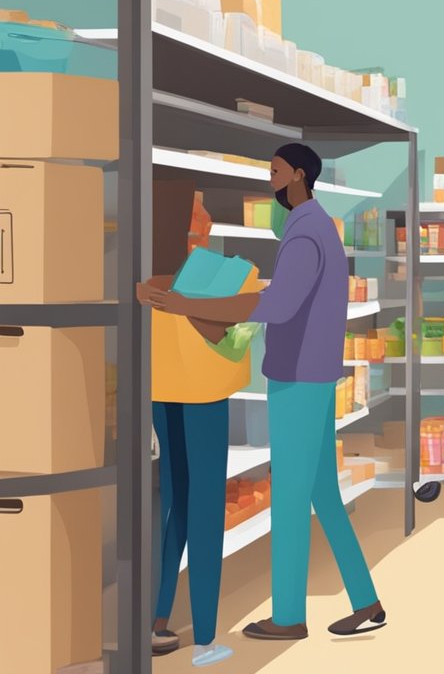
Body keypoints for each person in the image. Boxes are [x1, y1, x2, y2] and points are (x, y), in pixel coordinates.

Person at [144, 143, 386, 641]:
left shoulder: (303, 231)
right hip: (316, 371)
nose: (270, 178)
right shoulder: (316, 225)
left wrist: (188, 303)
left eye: (275, 171)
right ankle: (366, 601)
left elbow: (278, 305)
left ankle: (289, 616)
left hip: (297, 375)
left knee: (291, 498)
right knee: (322, 491)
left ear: (299, 175)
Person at [135, 195, 261, 667]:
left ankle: (158, 619)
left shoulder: (150, 283)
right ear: (185, 229)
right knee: (205, 509)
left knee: (174, 503)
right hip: (204, 394)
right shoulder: (215, 279)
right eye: (197, 213)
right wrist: (201, 306)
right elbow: (228, 331)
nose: (206, 220)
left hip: (163, 391)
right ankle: (207, 638)